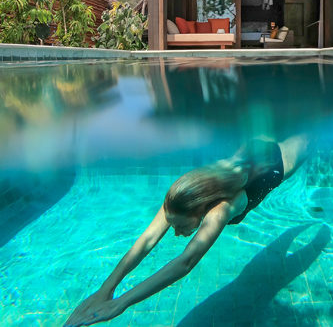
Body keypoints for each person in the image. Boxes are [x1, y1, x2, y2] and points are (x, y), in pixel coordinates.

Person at [65, 135, 311, 327]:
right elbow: (148, 239)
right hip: (247, 153)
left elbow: (186, 261)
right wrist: (106, 289)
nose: (174, 231)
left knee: (310, 141)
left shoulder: (222, 209)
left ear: (200, 211)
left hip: (277, 161)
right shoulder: (181, 195)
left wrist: (121, 303)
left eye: (180, 226)